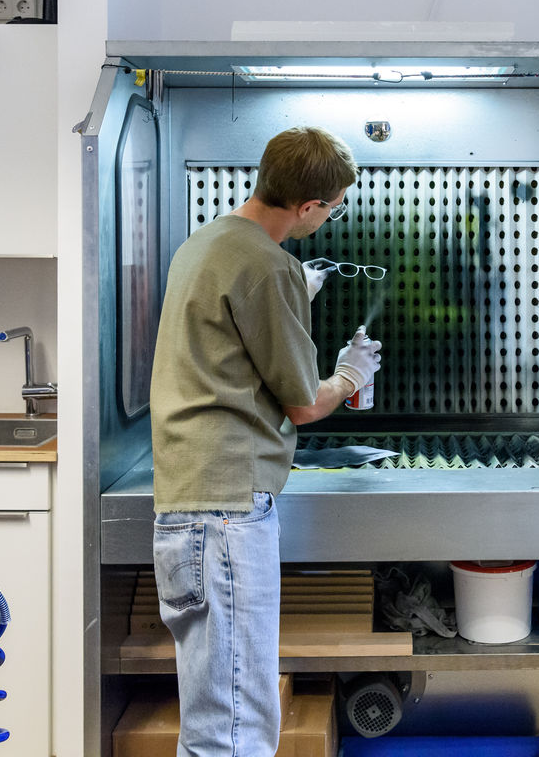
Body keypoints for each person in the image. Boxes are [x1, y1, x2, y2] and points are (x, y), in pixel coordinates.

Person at [149, 126, 381, 757]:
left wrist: (289, 291)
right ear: (309, 207)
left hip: (188, 503)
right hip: (227, 513)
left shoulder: (208, 243)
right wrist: (350, 375)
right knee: (235, 731)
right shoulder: (266, 264)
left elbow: (223, 341)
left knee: (212, 719)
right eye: (331, 207)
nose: (330, 217)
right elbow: (304, 404)